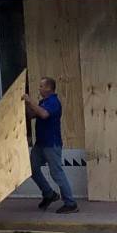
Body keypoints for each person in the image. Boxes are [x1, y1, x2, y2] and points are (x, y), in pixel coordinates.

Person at [25, 76, 78, 213]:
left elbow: (43, 114)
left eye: (41, 86)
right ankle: (49, 194)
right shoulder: (44, 101)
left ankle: (70, 203)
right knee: (31, 169)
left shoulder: (54, 102)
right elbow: (33, 115)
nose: (39, 88)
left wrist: (30, 101)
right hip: (41, 144)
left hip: (51, 144)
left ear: (49, 88)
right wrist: (28, 105)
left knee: (56, 173)